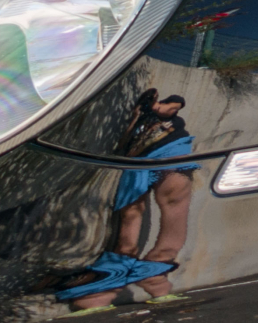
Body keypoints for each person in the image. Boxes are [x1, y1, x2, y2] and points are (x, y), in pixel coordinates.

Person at [59, 91, 199, 309]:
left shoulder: (161, 113)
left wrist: (157, 110)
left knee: (149, 211)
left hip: (164, 151)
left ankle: (145, 277)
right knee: (136, 215)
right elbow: (172, 105)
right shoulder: (141, 119)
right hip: (146, 157)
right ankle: (130, 281)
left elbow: (175, 103)